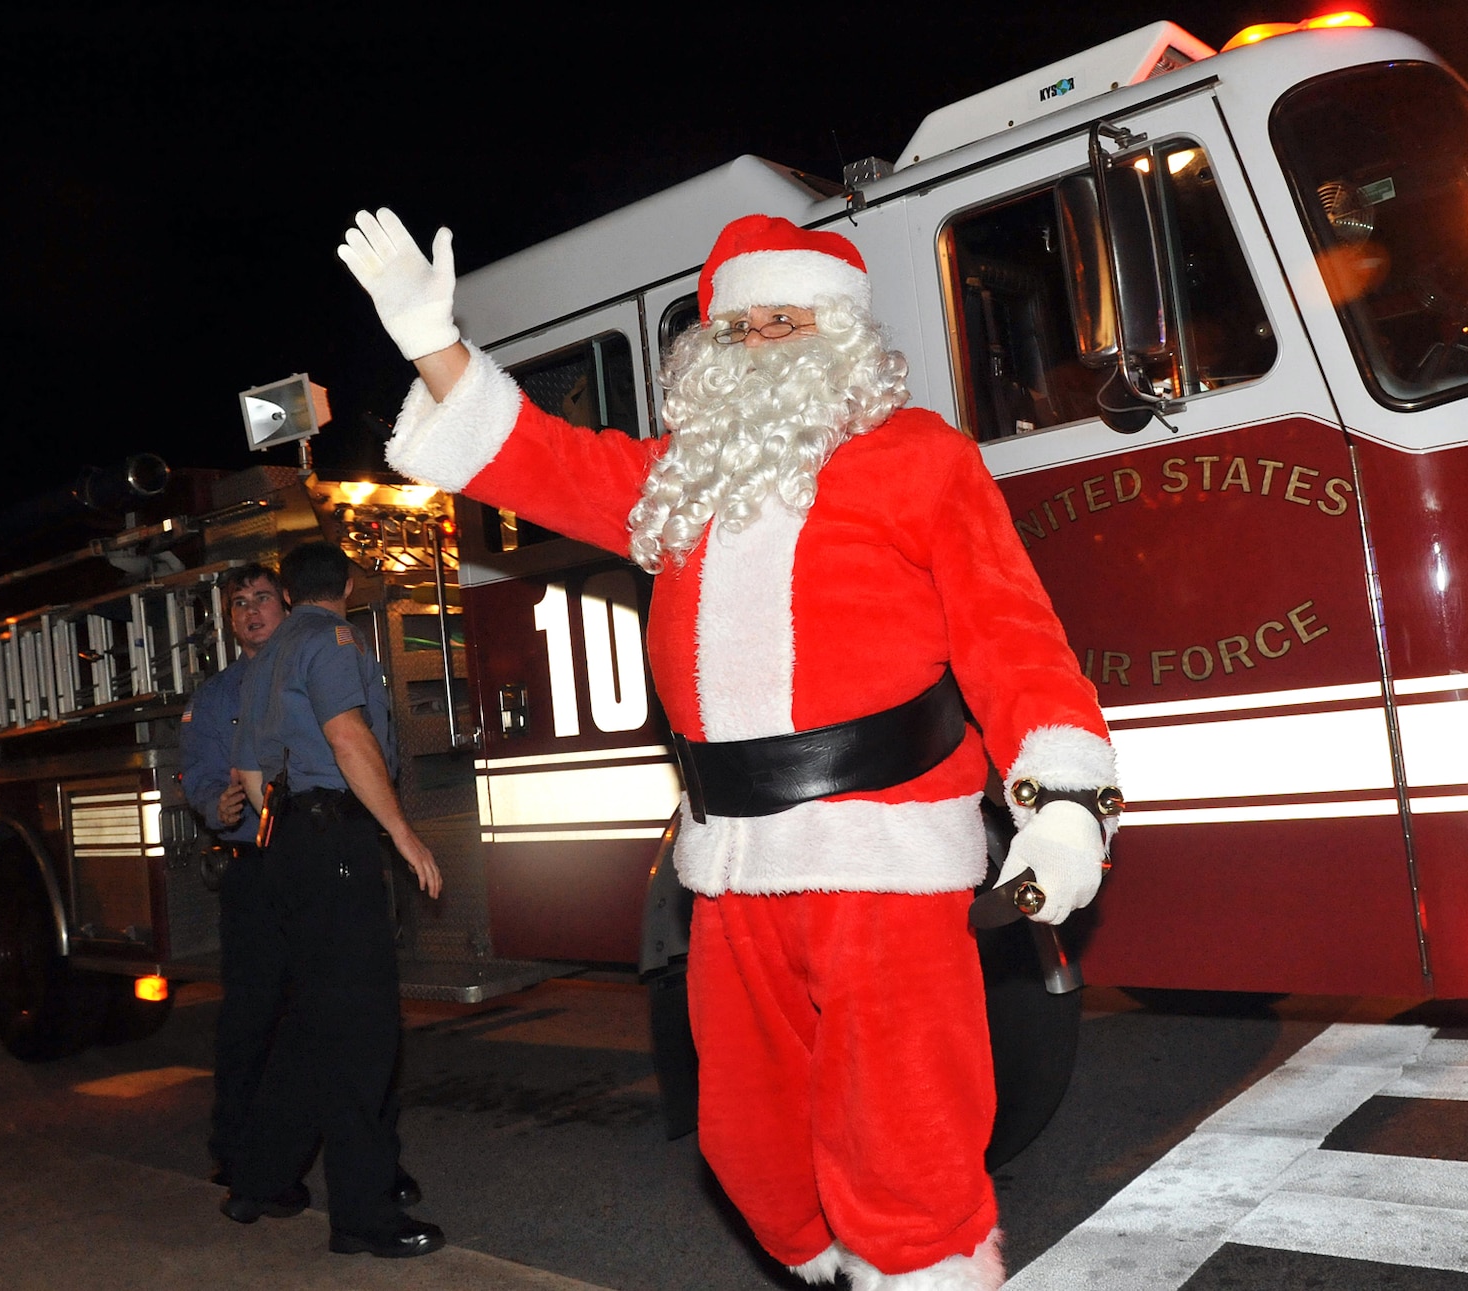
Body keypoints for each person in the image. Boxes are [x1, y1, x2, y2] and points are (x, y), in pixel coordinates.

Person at [339, 208, 1120, 1290]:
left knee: (904, 1136)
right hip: (732, 867)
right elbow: (534, 457)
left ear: (841, 332)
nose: (759, 341)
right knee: (748, 1144)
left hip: (885, 860)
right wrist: (435, 341)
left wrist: (1065, 803)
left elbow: (1011, 636)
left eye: (784, 319)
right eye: (736, 326)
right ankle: (839, 1269)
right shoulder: (678, 481)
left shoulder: (917, 459)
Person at [225, 539, 446, 1259]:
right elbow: (348, 737)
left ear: (286, 592)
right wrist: (402, 836)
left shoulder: (265, 659)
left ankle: (258, 1174)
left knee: (313, 1022)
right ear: (347, 583)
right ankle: (363, 1215)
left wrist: (284, 843)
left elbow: (253, 773)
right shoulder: (333, 638)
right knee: (362, 1033)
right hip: (334, 842)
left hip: (288, 845)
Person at [179, 562, 288, 1190]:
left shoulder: (314, 671)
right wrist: (211, 803)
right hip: (253, 873)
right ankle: (235, 1146)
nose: (251, 612)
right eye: (239, 604)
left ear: (287, 604)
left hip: (313, 867)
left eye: (262, 599)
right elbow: (197, 770)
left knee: (329, 1013)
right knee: (249, 1016)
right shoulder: (218, 695)